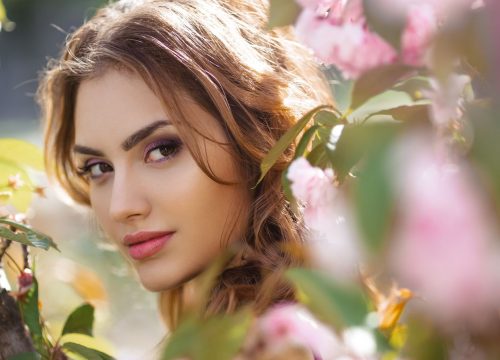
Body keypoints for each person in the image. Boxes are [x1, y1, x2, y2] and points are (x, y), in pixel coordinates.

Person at [38, 0, 332, 333]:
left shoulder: (274, 344)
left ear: (258, 134)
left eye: (162, 150)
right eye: (97, 168)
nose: (121, 207)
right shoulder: (331, 311)